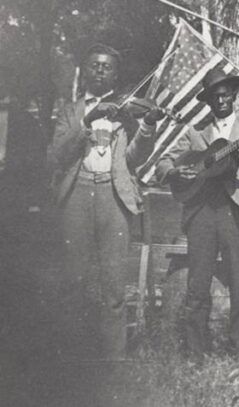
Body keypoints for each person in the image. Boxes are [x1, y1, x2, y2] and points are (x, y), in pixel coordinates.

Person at [48, 43, 163, 360]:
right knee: (74, 279)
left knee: (114, 284)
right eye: (94, 65)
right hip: (77, 194)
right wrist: (87, 123)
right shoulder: (71, 110)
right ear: (85, 70)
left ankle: (114, 360)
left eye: (107, 66)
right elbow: (56, 155)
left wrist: (147, 125)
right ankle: (70, 355)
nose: (100, 70)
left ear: (116, 74)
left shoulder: (125, 111)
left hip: (114, 196)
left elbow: (135, 159)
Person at [155, 68, 239, 356]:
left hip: (236, 213)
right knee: (198, 285)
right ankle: (195, 351)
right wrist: (174, 172)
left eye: (225, 95)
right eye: (214, 97)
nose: (221, 100)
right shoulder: (196, 132)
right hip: (202, 213)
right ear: (208, 100)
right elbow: (164, 162)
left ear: (233, 96)